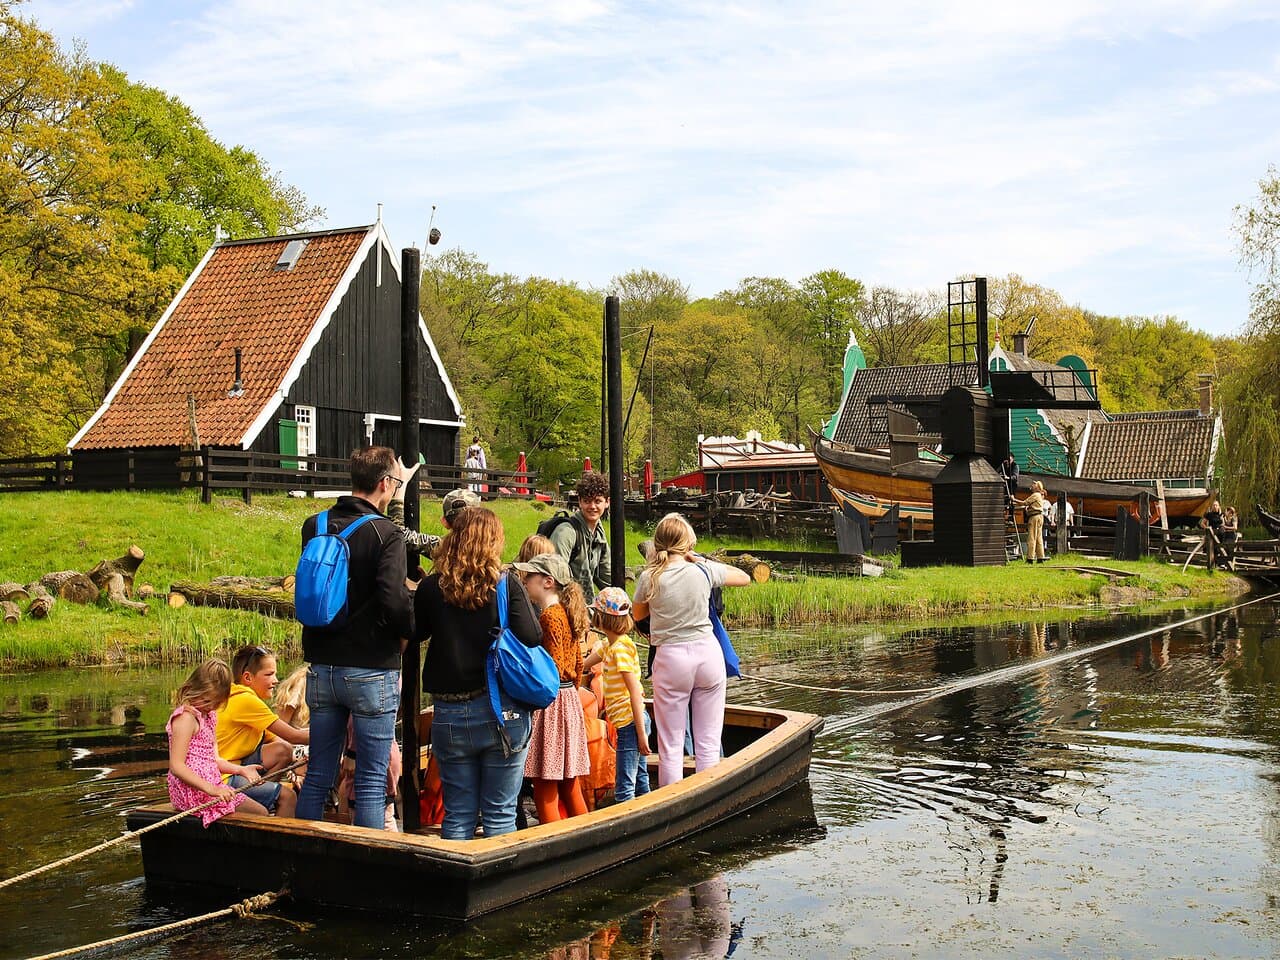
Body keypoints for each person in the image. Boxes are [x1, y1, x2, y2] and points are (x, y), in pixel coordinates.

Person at [296, 446, 413, 830]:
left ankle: (306, 858)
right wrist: (410, 631)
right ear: (384, 483)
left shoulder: (314, 525)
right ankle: (369, 867)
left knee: (318, 774)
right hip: (369, 668)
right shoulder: (386, 533)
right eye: (395, 482)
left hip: (321, 665)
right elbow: (394, 600)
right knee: (371, 778)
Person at [414, 506, 542, 839]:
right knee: (500, 814)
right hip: (500, 711)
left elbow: (416, 633)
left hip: (449, 713)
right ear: (493, 543)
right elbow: (531, 636)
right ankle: (500, 890)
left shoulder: (431, 588)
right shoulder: (505, 584)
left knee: (457, 814)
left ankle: (454, 889)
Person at [632, 513, 752, 787]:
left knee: (671, 746)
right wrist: (701, 560)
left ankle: (671, 806)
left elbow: (638, 615)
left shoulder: (650, 576)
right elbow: (744, 577)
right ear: (688, 544)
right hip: (707, 655)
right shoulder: (703, 570)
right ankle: (708, 799)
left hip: (671, 658)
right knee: (708, 742)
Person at [513, 551, 592, 823]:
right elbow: (579, 662)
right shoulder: (567, 612)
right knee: (569, 781)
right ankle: (587, 838)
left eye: (529, 576)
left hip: (551, 701)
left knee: (545, 783)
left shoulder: (549, 616)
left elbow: (553, 666)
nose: (524, 581)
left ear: (547, 581)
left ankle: (554, 844)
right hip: (568, 697)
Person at [167, 659, 270, 825]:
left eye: (216, 703)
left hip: (212, 785)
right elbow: (177, 766)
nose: (210, 707)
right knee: (258, 816)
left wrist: (241, 770)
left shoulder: (209, 716)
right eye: (207, 701)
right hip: (192, 791)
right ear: (191, 689)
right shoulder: (185, 718)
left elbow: (214, 760)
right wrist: (212, 789)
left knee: (261, 813)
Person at [217, 645, 309, 817]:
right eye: (269, 674)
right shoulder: (246, 701)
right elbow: (294, 735)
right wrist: (333, 733)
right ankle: (279, 838)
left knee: (283, 751)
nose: (275, 680)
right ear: (247, 678)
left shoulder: (237, 695)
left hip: (233, 767)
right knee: (288, 797)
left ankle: (261, 796)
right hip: (222, 776)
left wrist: (300, 760)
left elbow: (280, 744)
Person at [584, 587, 651, 803]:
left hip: (632, 722)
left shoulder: (620, 650)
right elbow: (584, 665)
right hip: (629, 723)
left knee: (624, 784)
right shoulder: (609, 645)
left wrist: (641, 734)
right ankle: (648, 809)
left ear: (602, 619)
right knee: (640, 776)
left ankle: (628, 826)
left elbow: (634, 692)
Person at [550, 470, 612, 599]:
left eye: (598, 501)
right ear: (579, 501)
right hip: (564, 604)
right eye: (587, 501)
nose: (592, 506)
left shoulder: (599, 533)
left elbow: (606, 576)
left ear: (607, 502)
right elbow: (554, 576)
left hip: (585, 606)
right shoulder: (566, 532)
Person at [1015, 481, 1047, 564]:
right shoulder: (1039, 495)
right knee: (1039, 538)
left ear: (1037, 487)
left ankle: (1030, 558)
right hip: (1039, 516)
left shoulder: (1035, 495)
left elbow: (1024, 502)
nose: (1031, 485)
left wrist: (1013, 499)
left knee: (1031, 538)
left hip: (1034, 517)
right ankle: (1040, 557)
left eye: (1033, 484)